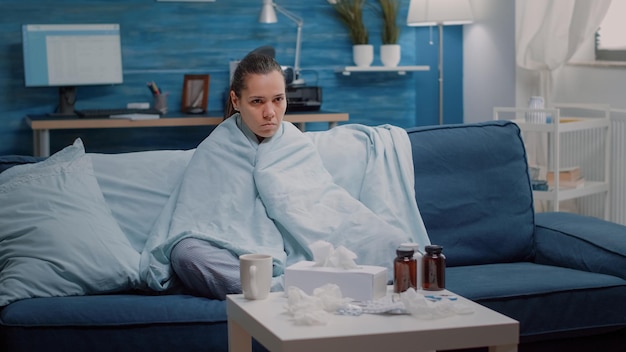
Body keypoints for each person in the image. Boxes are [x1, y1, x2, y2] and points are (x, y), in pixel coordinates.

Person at [169, 52, 287, 299]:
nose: (270, 113)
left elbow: (315, 211)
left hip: (287, 247)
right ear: (236, 100)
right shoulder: (216, 147)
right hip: (231, 250)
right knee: (186, 253)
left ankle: (276, 284)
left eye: (278, 99)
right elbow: (195, 213)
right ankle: (277, 290)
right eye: (257, 102)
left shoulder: (296, 145)